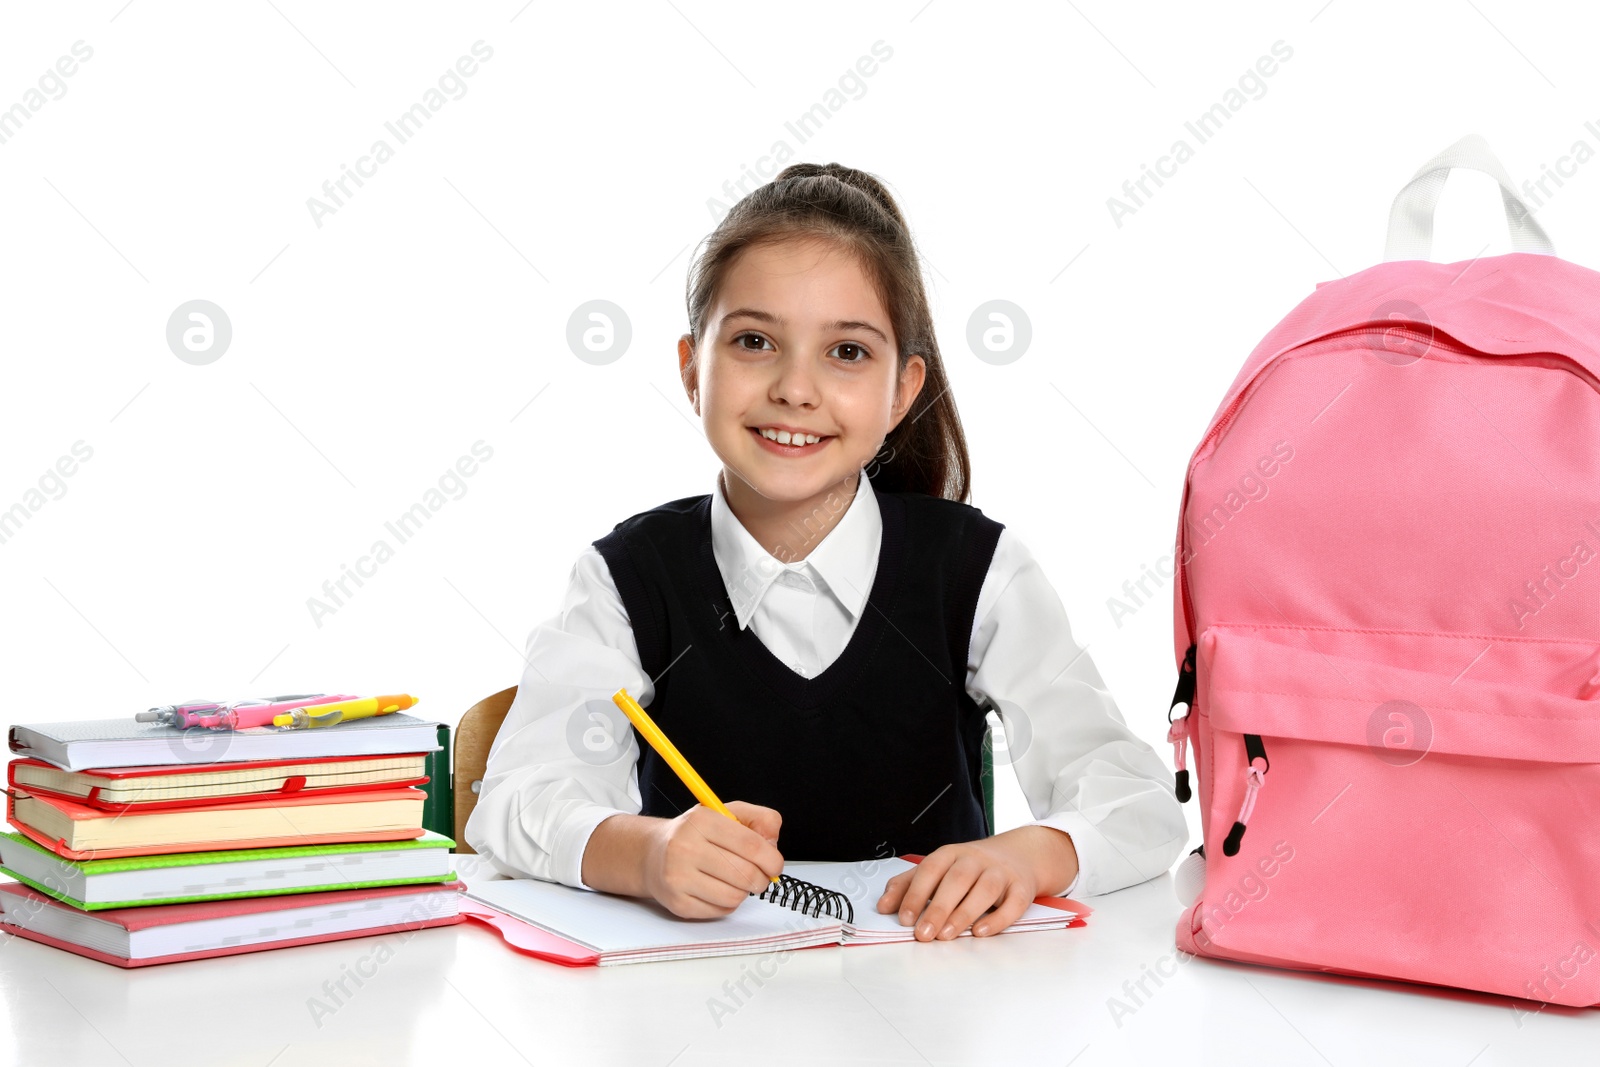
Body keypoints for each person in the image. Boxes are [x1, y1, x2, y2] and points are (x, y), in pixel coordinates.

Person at [465, 162, 1185, 941]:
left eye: (846, 352)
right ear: (689, 368)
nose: (795, 389)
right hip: (681, 1011)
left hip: (940, 1005)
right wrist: (642, 852)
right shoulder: (624, 579)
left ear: (903, 391)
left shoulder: (978, 573)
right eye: (753, 341)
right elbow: (513, 798)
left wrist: (1034, 855)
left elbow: (1137, 799)